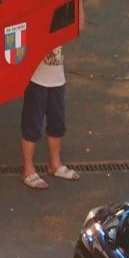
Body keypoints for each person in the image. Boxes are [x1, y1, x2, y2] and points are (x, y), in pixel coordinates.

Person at [20, 45, 80, 188]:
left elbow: (79, 26)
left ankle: (55, 164)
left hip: (57, 79)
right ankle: (28, 169)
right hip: (36, 79)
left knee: (57, 122)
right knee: (32, 123)